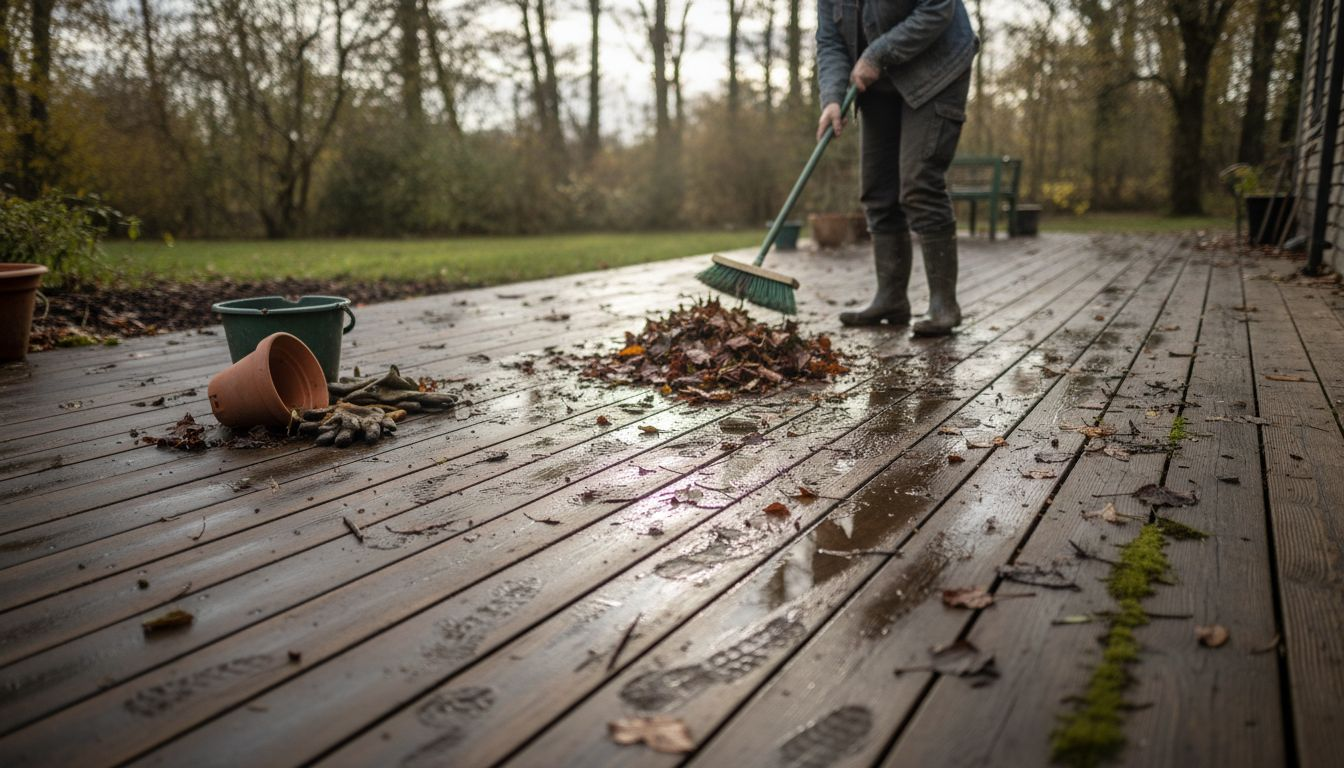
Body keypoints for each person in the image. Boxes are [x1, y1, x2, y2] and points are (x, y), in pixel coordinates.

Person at [817, 0, 978, 336]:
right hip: (878, 84)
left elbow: (937, 8)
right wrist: (832, 97)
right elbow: (831, 41)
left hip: (937, 69)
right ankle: (890, 298)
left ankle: (943, 305)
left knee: (919, 183)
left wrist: (877, 54)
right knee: (877, 190)